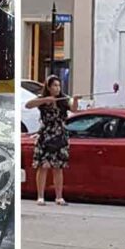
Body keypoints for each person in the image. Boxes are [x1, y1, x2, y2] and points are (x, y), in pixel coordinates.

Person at [26, 75, 82, 206]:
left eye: (58, 85)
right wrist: (45, 100)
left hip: (60, 134)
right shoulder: (43, 99)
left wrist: (75, 100)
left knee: (58, 166)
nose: (57, 88)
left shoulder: (63, 99)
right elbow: (28, 105)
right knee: (43, 166)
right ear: (49, 87)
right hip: (46, 133)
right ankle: (40, 196)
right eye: (55, 86)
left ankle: (59, 196)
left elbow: (74, 108)